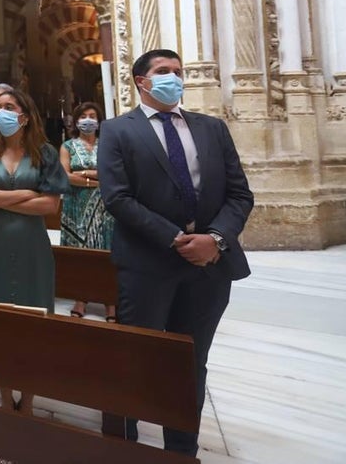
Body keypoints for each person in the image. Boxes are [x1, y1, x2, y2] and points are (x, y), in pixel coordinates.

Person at [99, 49, 253, 456]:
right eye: (163, 71)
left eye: (178, 72)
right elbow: (117, 198)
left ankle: (181, 451)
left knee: (191, 362)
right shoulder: (118, 130)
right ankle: (128, 448)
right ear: (141, 81)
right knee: (140, 359)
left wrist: (214, 239)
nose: (174, 78)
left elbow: (240, 194)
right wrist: (176, 239)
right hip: (147, 265)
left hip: (209, 266)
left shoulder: (211, 128)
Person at [0, 87, 68, 312]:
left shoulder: (45, 154)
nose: (1, 113)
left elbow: (50, 205)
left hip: (31, 244)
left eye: (9, 107)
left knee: (34, 311)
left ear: (25, 116)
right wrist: (26, 193)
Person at [59, 102, 115, 321]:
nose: (88, 120)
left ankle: (111, 301)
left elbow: (113, 173)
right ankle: (81, 298)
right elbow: (65, 176)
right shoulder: (68, 146)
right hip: (76, 206)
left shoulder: (109, 144)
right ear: (76, 120)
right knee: (81, 253)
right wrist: (96, 178)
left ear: (99, 120)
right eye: (83, 116)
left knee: (107, 251)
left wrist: (83, 174)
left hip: (106, 207)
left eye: (92, 116)